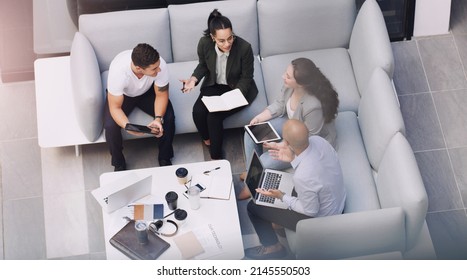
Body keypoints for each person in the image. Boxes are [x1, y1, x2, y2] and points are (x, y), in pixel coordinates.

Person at [239, 57, 339, 199]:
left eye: (287, 76)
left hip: (307, 142)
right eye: (285, 73)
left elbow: (309, 139)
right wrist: (260, 118)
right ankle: (252, 172)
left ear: (301, 84)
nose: (282, 77)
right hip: (293, 124)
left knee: (264, 161)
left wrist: (283, 145)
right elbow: (280, 104)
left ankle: (253, 183)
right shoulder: (289, 87)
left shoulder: (313, 106)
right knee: (250, 133)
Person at [245, 119, 346, 259]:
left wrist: (282, 196)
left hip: (321, 218)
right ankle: (278, 225)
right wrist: (292, 158)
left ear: (286, 142)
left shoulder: (302, 176)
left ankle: (273, 248)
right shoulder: (319, 141)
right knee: (282, 185)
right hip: (336, 197)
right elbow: (314, 174)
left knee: (253, 207)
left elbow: (310, 211)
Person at [181, 9, 258, 159]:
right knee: (198, 112)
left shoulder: (244, 48)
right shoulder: (204, 43)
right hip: (214, 84)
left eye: (230, 38)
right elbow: (203, 65)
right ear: (212, 37)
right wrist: (193, 79)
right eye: (222, 40)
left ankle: (216, 156)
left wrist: (234, 96)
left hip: (237, 89)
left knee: (214, 117)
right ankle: (208, 140)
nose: (227, 43)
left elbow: (247, 78)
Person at [104, 43, 175, 171]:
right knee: (110, 126)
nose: (158, 70)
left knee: (168, 117)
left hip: (147, 92)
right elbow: (115, 108)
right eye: (154, 69)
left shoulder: (160, 65)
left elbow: (161, 95)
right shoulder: (118, 72)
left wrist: (158, 119)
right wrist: (127, 126)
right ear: (139, 68)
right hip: (124, 95)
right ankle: (119, 163)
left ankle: (165, 158)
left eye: (158, 67)